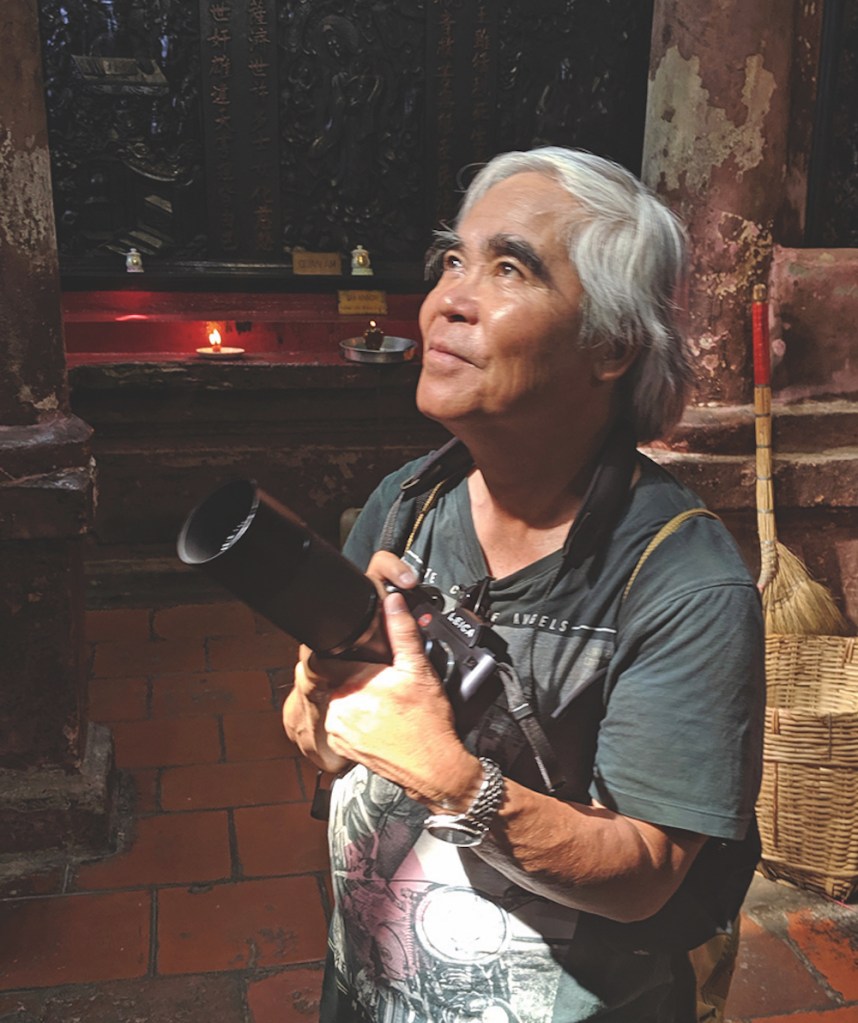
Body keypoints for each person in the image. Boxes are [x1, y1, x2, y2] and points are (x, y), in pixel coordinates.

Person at [283, 146, 765, 1023]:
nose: (445, 300)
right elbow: (320, 746)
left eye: (510, 267)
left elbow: (647, 876)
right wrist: (318, 702)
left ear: (611, 343)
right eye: (453, 260)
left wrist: (456, 782)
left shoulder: (683, 583)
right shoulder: (405, 505)